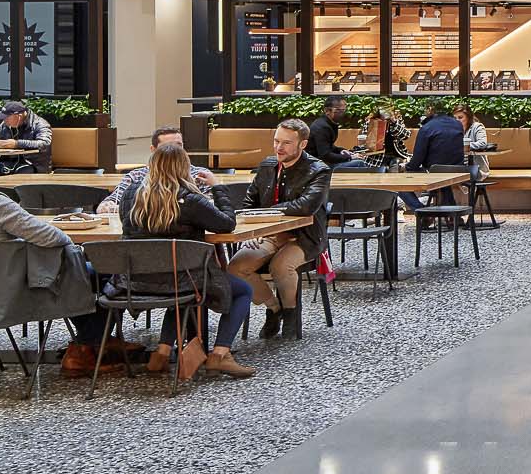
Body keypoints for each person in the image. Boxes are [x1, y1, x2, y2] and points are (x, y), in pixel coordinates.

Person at [0, 132, 122, 376]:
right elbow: (49, 236)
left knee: (78, 275)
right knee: (103, 275)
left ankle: (99, 342)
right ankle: (86, 348)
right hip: (8, 290)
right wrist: (73, 242)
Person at [120, 141, 256, 379]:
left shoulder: (131, 195)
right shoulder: (190, 199)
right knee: (242, 290)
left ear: (152, 165)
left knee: (177, 284)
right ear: (185, 168)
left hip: (134, 281)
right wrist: (217, 187)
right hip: (184, 279)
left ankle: (161, 354)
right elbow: (227, 223)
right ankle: (220, 354)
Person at [232, 118, 333, 338]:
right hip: (268, 233)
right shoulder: (267, 166)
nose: (279, 147)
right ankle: (274, 308)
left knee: (281, 266)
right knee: (236, 268)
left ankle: (290, 313)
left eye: (286, 143)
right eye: (276, 141)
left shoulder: (319, 170)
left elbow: (306, 207)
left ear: (302, 144)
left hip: (305, 236)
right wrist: (252, 232)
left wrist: (269, 212)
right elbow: (249, 205)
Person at [101, 126, 216, 214]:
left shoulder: (200, 175)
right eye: (167, 148)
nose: (174, 152)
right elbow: (105, 206)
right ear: (153, 150)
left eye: (178, 146)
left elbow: (213, 209)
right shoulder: (136, 176)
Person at [397, 101, 465, 214]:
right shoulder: (457, 125)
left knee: (399, 183)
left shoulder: (427, 128)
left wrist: (407, 167)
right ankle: (452, 216)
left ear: (430, 111)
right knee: (444, 179)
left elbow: (417, 159)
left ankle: (422, 211)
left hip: (434, 172)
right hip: (458, 170)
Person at [306, 96, 376, 171]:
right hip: (318, 166)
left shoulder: (329, 123)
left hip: (323, 162)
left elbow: (328, 146)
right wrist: (350, 157)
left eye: (344, 110)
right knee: (360, 163)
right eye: (339, 110)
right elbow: (325, 155)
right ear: (327, 111)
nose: (342, 113)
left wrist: (341, 150)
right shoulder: (322, 127)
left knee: (360, 161)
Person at [0, 100, 51, 175]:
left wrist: (17, 144)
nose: (4, 120)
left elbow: (44, 143)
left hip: (32, 165)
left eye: (7, 118)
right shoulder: (5, 124)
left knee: (23, 172)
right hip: (7, 162)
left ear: (18, 116)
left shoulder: (40, 124)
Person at [453, 105, 490, 184]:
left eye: (460, 117)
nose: (457, 120)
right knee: (438, 171)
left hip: (476, 167)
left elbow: (483, 143)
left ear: (468, 117)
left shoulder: (477, 127)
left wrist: (465, 146)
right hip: (459, 165)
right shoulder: (453, 129)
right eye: (455, 118)